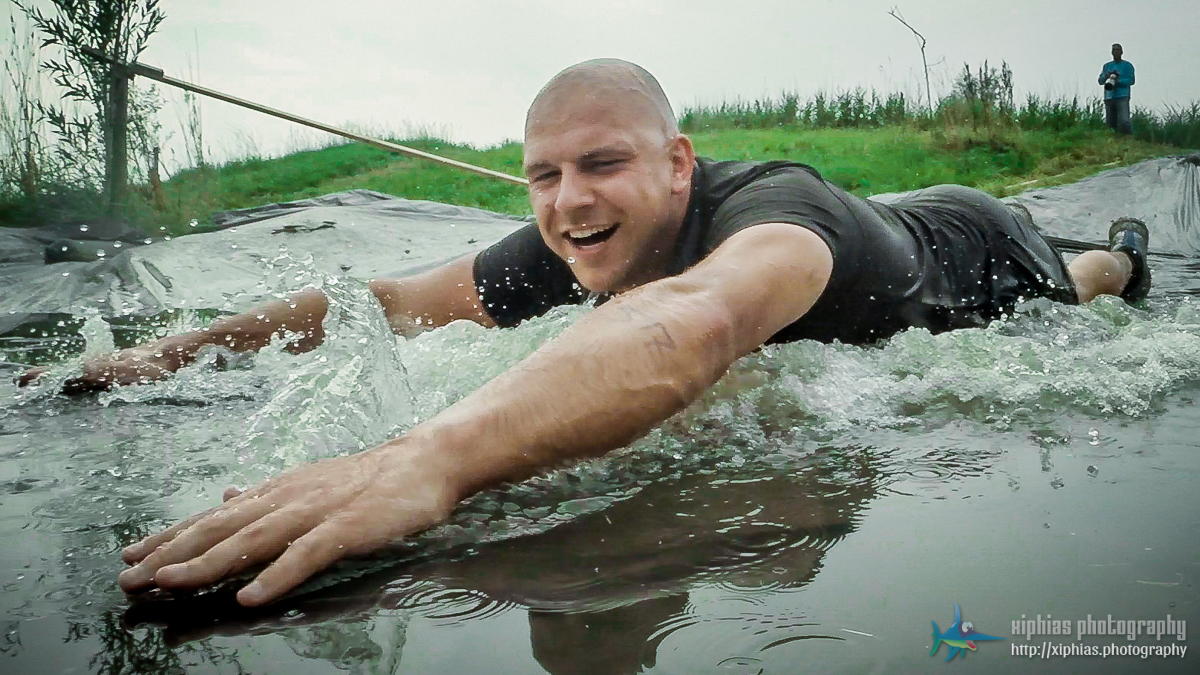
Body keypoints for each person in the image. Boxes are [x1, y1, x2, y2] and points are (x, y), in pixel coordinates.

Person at [18, 59, 1152, 607]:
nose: (567, 201)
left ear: (677, 163)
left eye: (602, 163)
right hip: (863, 238)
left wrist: (431, 458)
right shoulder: (571, 235)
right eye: (544, 175)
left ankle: (1120, 247)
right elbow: (390, 301)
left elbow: (696, 320)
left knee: (1084, 279)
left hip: (970, 248)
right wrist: (165, 351)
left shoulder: (776, 222)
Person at [1098, 43, 1135, 135]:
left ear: (1122, 52)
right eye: (1114, 50)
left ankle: (1128, 137)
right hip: (1109, 96)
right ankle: (1113, 139)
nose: (1115, 52)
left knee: (1124, 120)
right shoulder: (1107, 66)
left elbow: (1131, 80)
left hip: (1122, 95)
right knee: (1110, 121)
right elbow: (1100, 81)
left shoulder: (1127, 66)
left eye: (1118, 50)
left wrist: (1118, 81)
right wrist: (1107, 76)